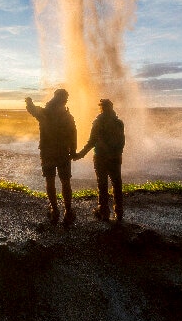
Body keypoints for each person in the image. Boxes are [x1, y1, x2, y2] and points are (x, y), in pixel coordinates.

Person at [26, 89, 77, 226]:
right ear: (63, 99)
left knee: (50, 180)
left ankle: (54, 210)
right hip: (63, 153)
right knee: (65, 181)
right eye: (66, 98)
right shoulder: (67, 116)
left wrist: (29, 102)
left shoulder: (45, 113)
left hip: (47, 152)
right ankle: (68, 211)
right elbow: (73, 134)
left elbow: (33, 110)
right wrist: (73, 151)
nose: (66, 100)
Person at [74, 99, 125, 222]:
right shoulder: (119, 123)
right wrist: (117, 154)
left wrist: (80, 154)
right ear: (112, 108)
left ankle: (104, 212)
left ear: (102, 108)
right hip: (115, 158)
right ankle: (119, 212)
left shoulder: (98, 122)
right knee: (117, 184)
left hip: (101, 157)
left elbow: (92, 141)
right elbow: (122, 141)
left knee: (102, 184)